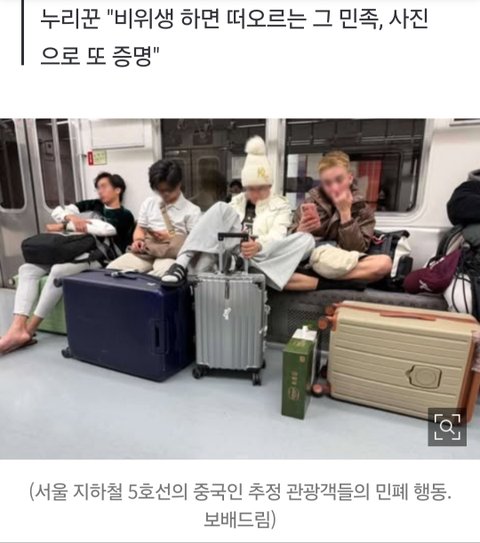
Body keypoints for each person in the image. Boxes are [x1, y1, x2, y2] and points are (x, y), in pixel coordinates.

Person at [0, 172, 135, 355]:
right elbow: (58, 211)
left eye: (104, 186)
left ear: (118, 190)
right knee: (27, 269)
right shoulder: (94, 204)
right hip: (75, 250)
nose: (100, 191)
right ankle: (17, 328)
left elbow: (105, 230)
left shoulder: (125, 215)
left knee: (58, 270)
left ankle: (29, 330)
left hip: (99, 258)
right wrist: (71, 219)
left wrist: (66, 224)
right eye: (98, 187)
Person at [161, 136, 315, 291]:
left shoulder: (280, 205)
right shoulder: (235, 202)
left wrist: (258, 245)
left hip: (262, 253)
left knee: (307, 240)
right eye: (251, 189)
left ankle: (241, 265)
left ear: (269, 186)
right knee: (220, 208)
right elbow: (217, 229)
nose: (256, 193)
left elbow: (278, 235)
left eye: (261, 188)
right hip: (233, 249)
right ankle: (180, 264)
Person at [286, 151, 392, 290]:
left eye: (339, 180)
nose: (334, 188)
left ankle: (319, 281)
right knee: (276, 273)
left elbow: (356, 250)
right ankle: (341, 283)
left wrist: (345, 214)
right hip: (312, 262)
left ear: (350, 178)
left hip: (343, 261)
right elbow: (289, 247)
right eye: (327, 183)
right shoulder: (308, 204)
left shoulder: (363, 210)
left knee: (384, 264)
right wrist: (300, 231)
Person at [108, 160, 201, 277]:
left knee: (164, 275)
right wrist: (138, 240)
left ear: (179, 184)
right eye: (160, 190)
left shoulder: (192, 211)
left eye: (169, 190)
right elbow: (140, 228)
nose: (164, 194)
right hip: (146, 251)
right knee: (111, 270)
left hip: (171, 255)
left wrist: (171, 237)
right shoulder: (149, 203)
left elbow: (195, 243)